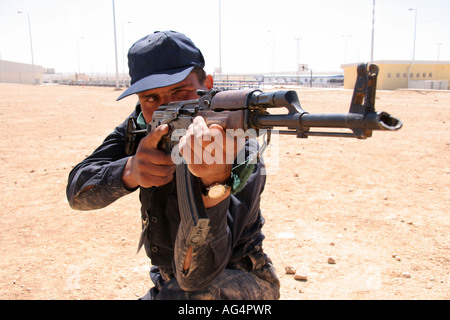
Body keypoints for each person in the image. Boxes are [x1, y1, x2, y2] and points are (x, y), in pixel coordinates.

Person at [66, 31, 280, 300]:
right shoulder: (140, 126)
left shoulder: (237, 143)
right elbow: (77, 192)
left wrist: (215, 183)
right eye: (151, 98)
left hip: (240, 282)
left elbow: (197, 277)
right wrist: (129, 171)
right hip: (168, 284)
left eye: (181, 92)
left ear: (208, 84)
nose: (168, 108)